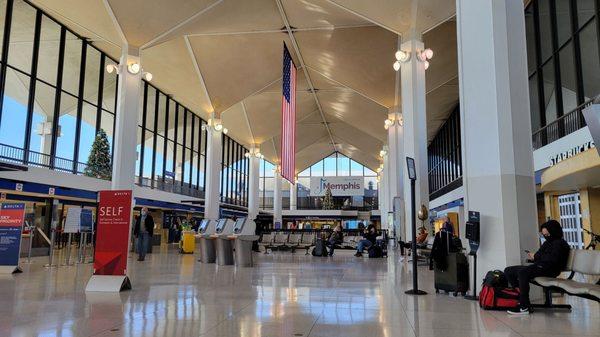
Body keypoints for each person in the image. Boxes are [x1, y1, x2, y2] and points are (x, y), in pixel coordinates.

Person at [504, 220, 570, 315]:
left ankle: (524, 307)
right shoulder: (548, 242)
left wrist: (537, 256)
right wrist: (534, 256)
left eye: (547, 234)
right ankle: (521, 298)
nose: (546, 237)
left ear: (554, 231)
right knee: (509, 270)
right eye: (544, 235)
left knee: (523, 273)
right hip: (540, 266)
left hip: (550, 269)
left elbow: (552, 260)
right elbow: (539, 254)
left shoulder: (560, 244)